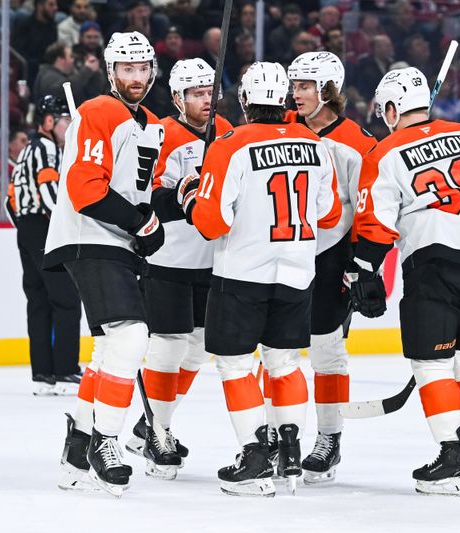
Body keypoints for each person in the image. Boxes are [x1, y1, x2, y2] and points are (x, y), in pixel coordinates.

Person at [351, 67, 460, 496]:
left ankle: (450, 455)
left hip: (433, 262)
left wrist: (363, 271)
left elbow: (375, 225)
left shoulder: (385, 152)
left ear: (391, 109)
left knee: (432, 364)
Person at [180, 61, 341, 497]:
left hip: (242, 272)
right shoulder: (314, 143)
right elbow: (329, 214)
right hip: (295, 271)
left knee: (235, 365)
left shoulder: (230, 144)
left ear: (246, 102)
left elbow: (211, 223)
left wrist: (192, 194)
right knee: (284, 363)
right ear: (285, 100)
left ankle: (254, 457)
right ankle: (289, 452)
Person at [46, 31, 169, 497]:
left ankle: (77, 446)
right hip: (88, 236)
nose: (135, 78)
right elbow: (87, 189)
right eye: (126, 69)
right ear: (111, 70)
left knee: (108, 352)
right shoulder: (98, 111)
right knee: (131, 335)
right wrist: (142, 224)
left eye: (142, 69)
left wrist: (175, 200)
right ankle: (106, 441)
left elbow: (149, 191)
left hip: (117, 242)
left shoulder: (153, 124)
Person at [122, 58, 233, 479]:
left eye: (209, 92)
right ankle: (160, 431)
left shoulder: (228, 133)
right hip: (167, 259)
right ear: (177, 97)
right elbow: (144, 194)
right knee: (167, 346)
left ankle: (150, 422)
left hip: (212, 259)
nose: (205, 100)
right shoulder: (159, 134)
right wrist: (182, 194)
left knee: (201, 346)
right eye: (195, 94)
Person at [286, 51, 377, 484]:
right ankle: (279, 436)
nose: (296, 93)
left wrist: (361, 267)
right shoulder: (281, 127)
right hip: (282, 253)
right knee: (278, 350)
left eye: (305, 85)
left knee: (326, 350)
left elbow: (369, 209)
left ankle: (328, 436)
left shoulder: (359, 144)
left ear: (328, 89)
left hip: (329, 257)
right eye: (295, 84)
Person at [8, 95, 82, 395]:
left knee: (38, 301)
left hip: (26, 229)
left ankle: (43, 372)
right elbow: (51, 196)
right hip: (44, 227)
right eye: (66, 121)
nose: (69, 128)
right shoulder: (48, 148)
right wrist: (71, 222)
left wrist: (26, 230)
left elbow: (9, 199)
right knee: (65, 298)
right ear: (49, 122)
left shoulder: (27, 149)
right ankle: (64, 371)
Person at [33, 43, 104, 108]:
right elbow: (63, 91)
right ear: (60, 60)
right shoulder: (47, 76)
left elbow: (91, 96)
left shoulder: (68, 75)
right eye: (71, 57)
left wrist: (94, 72)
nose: (73, 60)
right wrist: (87, 70)